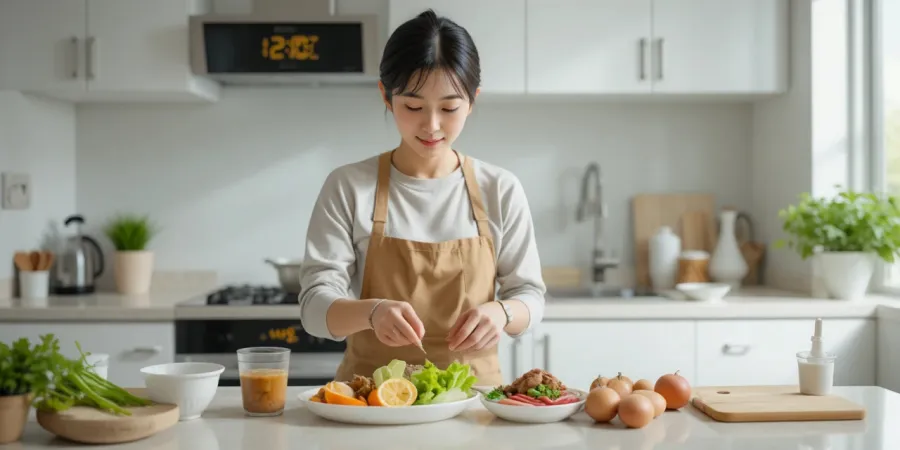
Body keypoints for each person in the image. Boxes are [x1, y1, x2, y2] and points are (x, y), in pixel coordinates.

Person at [298, 9, 546, 386]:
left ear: (472, 101)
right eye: (413, 107)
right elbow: (314, 308)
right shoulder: (348, 186)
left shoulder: (500, 189)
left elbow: (530, 296)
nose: (431, 125)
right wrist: (371, 313)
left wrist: (503, 313)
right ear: (386, 96)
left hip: (474, 400)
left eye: (449, 107)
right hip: (372, 401)